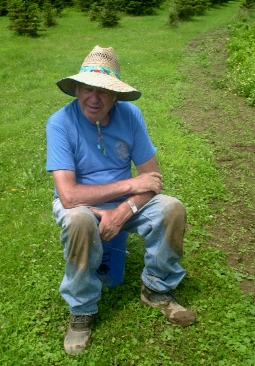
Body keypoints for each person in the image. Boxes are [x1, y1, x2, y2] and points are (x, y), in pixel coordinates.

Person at [46, 45, 196, 355]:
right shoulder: (60, 123)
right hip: (81, 205)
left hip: (126, 202)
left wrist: (124, 209)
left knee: (172, 208)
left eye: (104, 91)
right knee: (78, 220)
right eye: (87, 88)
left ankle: (157, 288)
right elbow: (69, 195)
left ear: (116, 96)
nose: (94, 98)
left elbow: (152, 179)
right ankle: (82, 309)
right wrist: (129, 184)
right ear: (76, 88)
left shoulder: (130, 115)